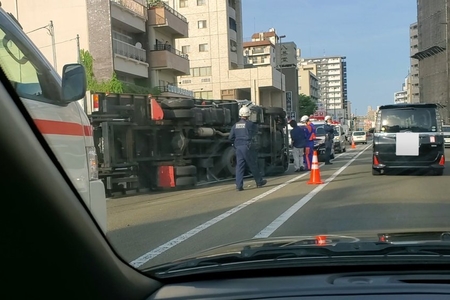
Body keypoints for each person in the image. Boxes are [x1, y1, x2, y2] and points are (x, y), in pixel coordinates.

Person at [229, 106, 267, 191]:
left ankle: (239, 186)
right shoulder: (250, 124)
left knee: (239, 166)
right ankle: (259, 181)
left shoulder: (235, 125)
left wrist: (235, 144)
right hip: (247, 146)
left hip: (238, 147)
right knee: (252, 164)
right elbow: (256, 132)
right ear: (248, 114)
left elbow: (230, 137)